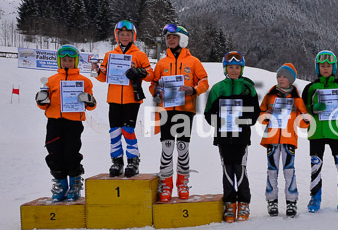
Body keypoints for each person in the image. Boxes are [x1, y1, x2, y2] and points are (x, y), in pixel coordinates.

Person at [151, 24, 209, 202]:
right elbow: (153, 84)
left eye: (173, 37)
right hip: (166, 109)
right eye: (168, 37)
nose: (170, 40)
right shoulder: (161, 62)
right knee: (167, 146)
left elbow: (204, 81)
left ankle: (182, 183)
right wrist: (157, 92)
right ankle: (166, 184)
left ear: (182, 39)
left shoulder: (193, 61)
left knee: (182, 147)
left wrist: (193, 90)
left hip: (185, 110)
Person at [92, 20, 154, 177]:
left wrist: (138, 72)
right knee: (114, 131)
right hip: (113, 98)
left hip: (132, 98)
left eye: (128, 34)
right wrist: (97, 70)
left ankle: (133, 160)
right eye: (122, 34)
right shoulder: (110, 55)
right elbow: (102, 77)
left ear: (133, 36)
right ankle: (117, 161)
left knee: (128, 130)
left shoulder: (139, 54)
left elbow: (150, 75)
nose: (125, 37)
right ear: (117, 36)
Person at [35, 45, 96, 202]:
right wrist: (41, 99)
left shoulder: (84, 81)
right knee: (54, 154)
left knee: (71, 153)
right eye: (64, 60)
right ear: (59, 61)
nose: (67, 63)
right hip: (54, 122)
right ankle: (60, 184)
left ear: (75, 62)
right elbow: (43, 104)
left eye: (70, 60)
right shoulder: (51, 81)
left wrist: (89, 100)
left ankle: (75, 183)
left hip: (73, 124)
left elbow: (92, 104)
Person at [204, 51, 259, 223]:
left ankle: (243, 202)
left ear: (241, 69)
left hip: (241, 136)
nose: (234, 70)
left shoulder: (248, 88)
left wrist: (239, 120)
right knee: (227, 169)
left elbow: (255, 114)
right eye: (230, 67)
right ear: (225, 68)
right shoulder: (218, 88)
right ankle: (230, 203)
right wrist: (220, 121)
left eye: (237, 67)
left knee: (240, 168)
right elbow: (208, 113)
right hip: (223, 136)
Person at [301, 50, 338, 213]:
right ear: (317, 68)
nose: (325, 68)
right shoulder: (310, 88)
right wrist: (312, 109)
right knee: (315, 167)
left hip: (335, 132)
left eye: (328, 66)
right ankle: (315, 198)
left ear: (334, 68)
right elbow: (302, 112)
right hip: (316, 132)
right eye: (322, 65)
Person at [258, 63, 310, 218]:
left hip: (288, 139)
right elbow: (260, 117)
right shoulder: (270, 96)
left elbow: (301, 122)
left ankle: (291, 201)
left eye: (284, 77)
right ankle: (271, 200)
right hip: (272, 138)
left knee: (289, 171)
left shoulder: (296, 99)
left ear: (291, 80)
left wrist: (305, 120)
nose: (281, 79)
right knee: (272, 171)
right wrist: (266, 115)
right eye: (279, 76)